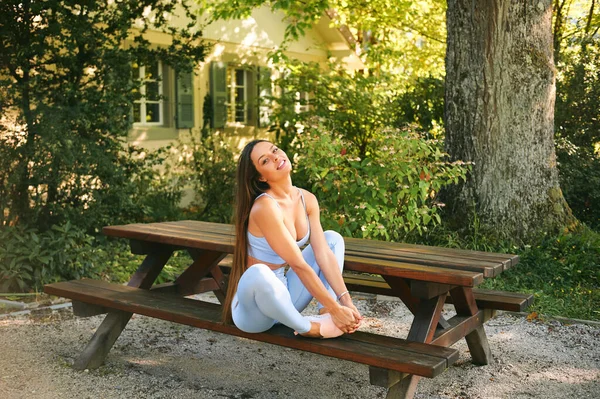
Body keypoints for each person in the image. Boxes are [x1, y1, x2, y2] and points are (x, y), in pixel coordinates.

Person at [222, 140, 362, 338]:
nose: (276, 157)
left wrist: (345, 302)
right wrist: (337, 310)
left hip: (285, 298)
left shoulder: (307, 199)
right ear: (261, 177)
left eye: (275, 150)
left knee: (333, 239)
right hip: (255, 313)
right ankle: (308, 328)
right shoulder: (265, 207)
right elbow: (298, 264)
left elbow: (323, 254)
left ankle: (325, 313)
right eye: (265, 160)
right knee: (259, 272)